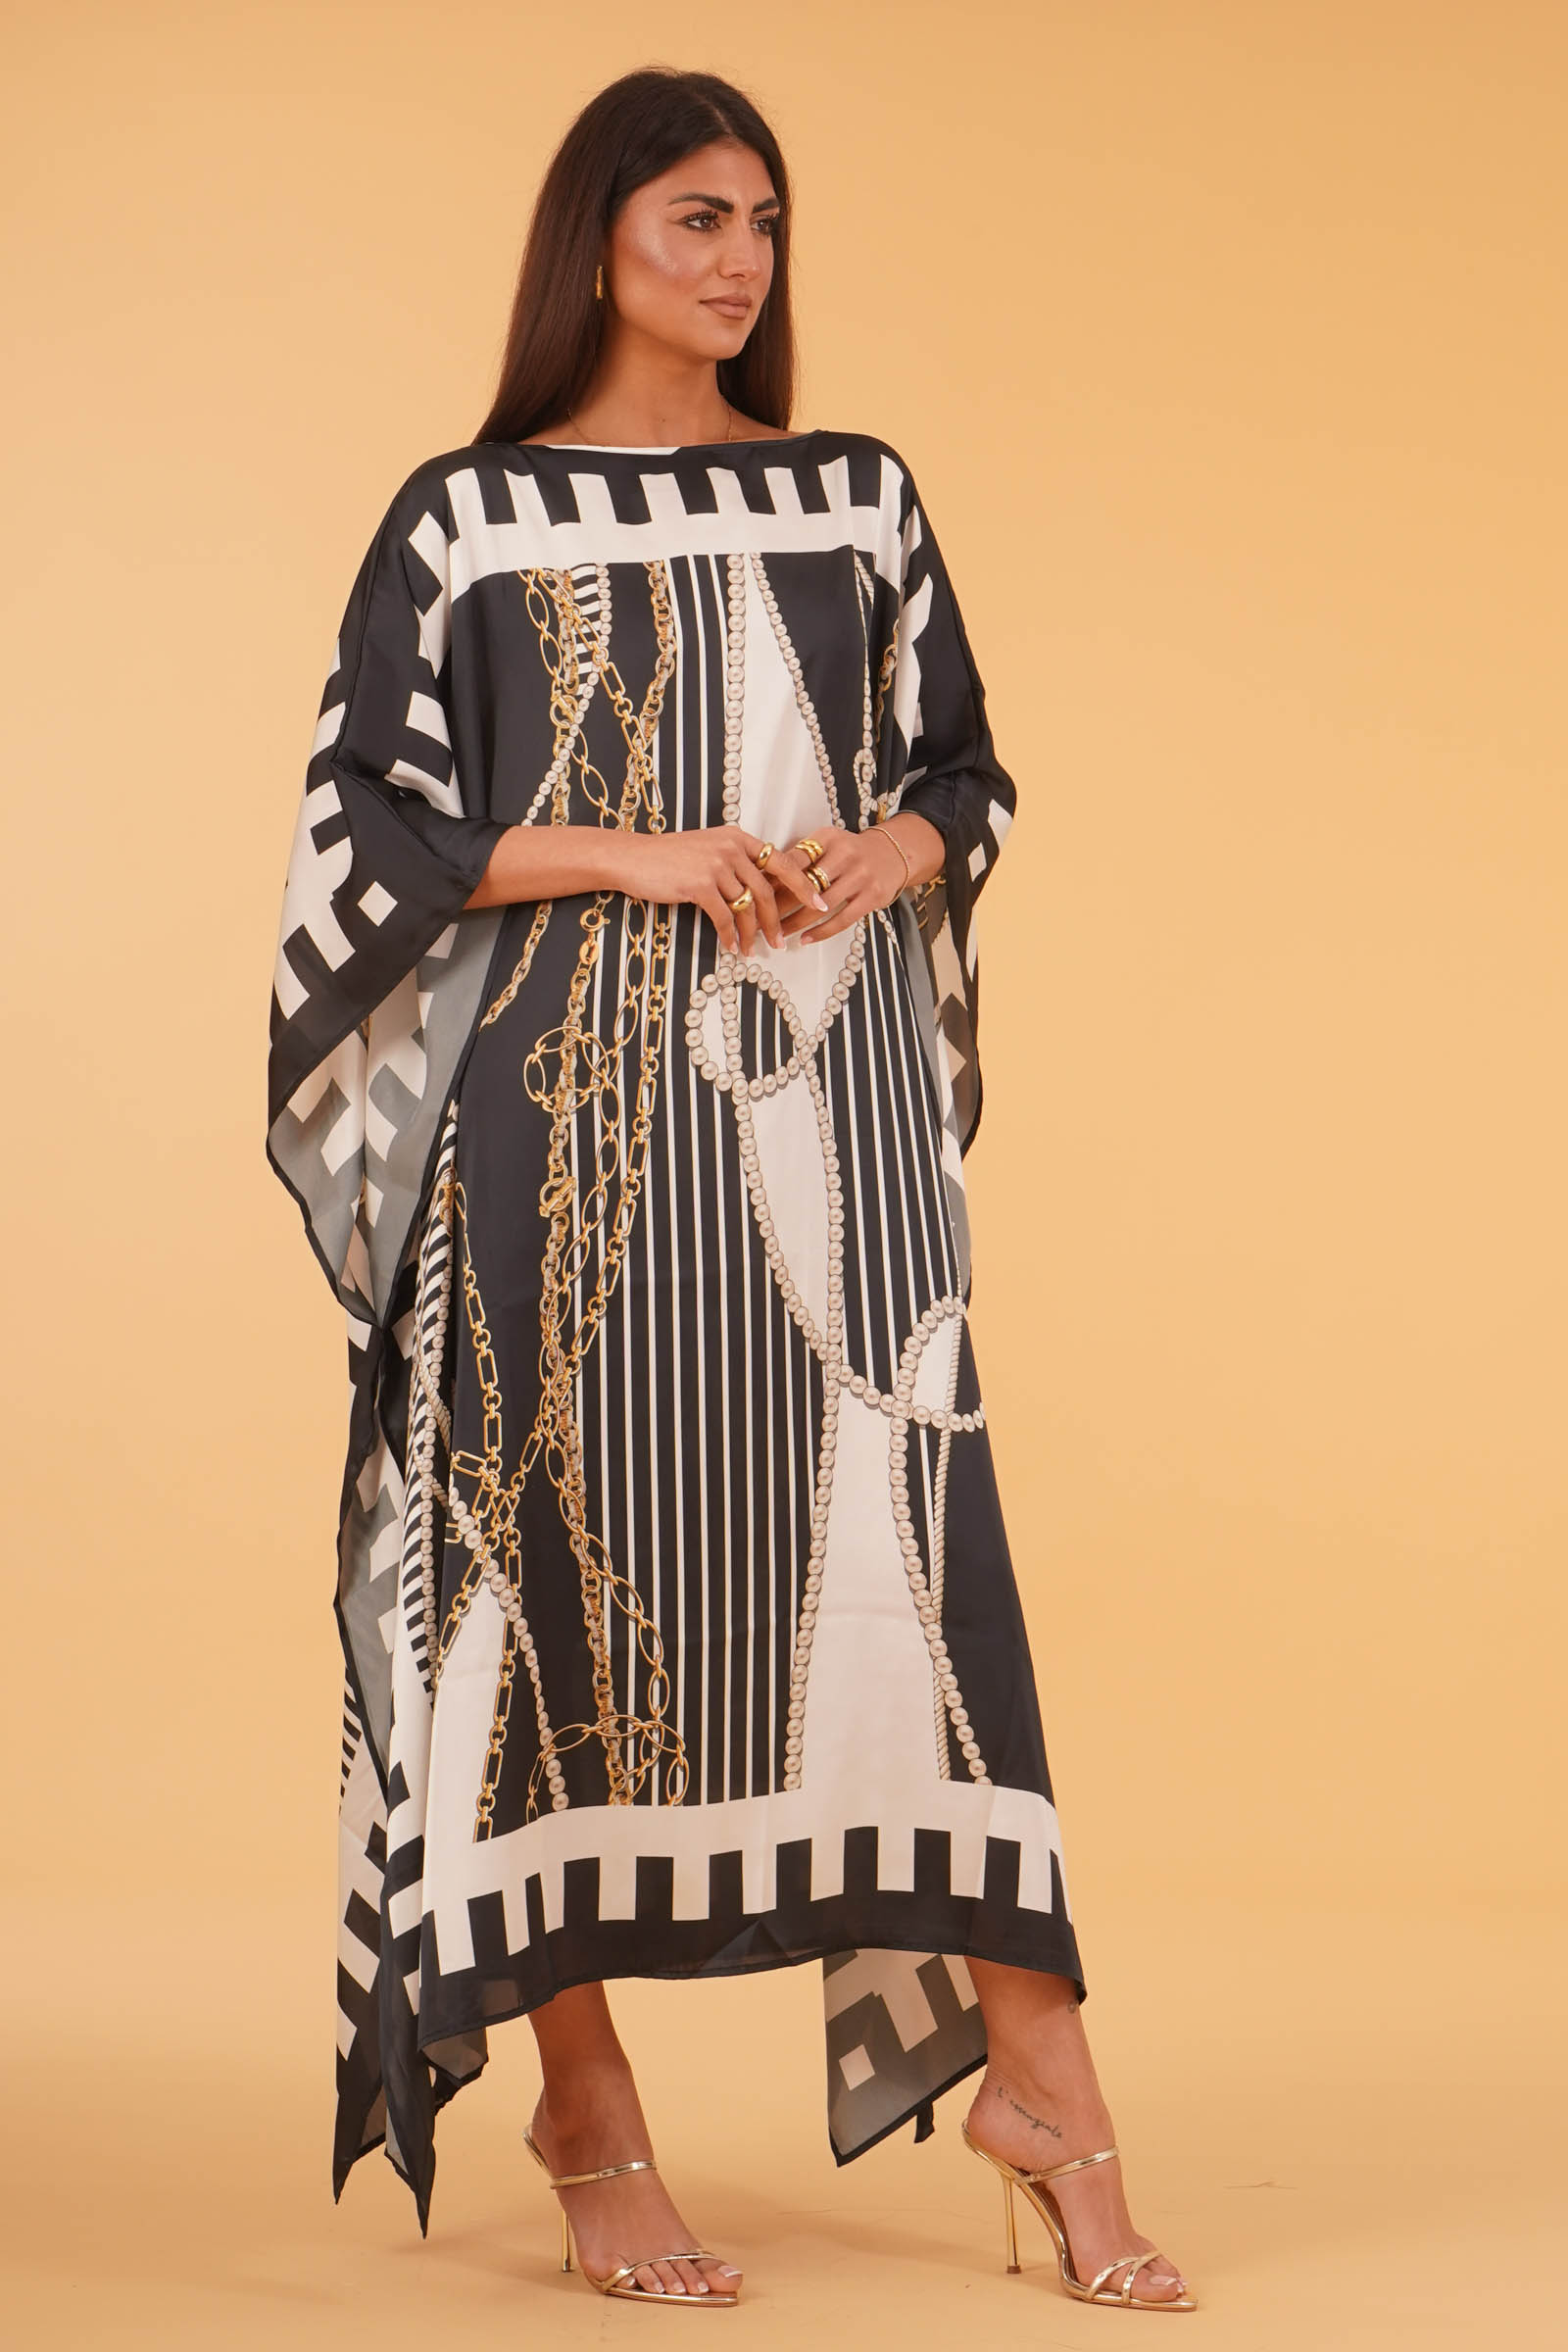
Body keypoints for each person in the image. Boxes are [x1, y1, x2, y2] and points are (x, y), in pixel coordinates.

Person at [266, 64, 1194, 2314]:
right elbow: (372, 834)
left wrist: (894, 847)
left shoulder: (851, 496)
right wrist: (645, 853)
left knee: (917, 1589)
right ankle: (585, 2104)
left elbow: (962, 770)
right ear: (597, 236)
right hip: (555, 1122)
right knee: (538, 1587)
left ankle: (1040, 2088)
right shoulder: (465, 523)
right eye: (697, 216)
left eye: (763, 222)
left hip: (827, 1098)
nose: (741, 261)